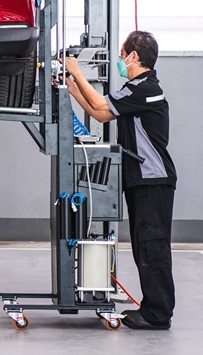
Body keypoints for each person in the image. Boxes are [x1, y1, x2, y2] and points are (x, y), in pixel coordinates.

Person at [62, 30, 176, 330]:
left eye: (123, 54)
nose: (120, 59)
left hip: (153, 179)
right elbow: (101, 115)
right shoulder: (135, 89)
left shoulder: (145, 88)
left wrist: (76, 70)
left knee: (152, 246)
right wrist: (72, 89)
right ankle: (153, 308)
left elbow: (101, 105)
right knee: (144, 246)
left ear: (134, 56)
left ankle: (158, 314)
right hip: (142, 180)